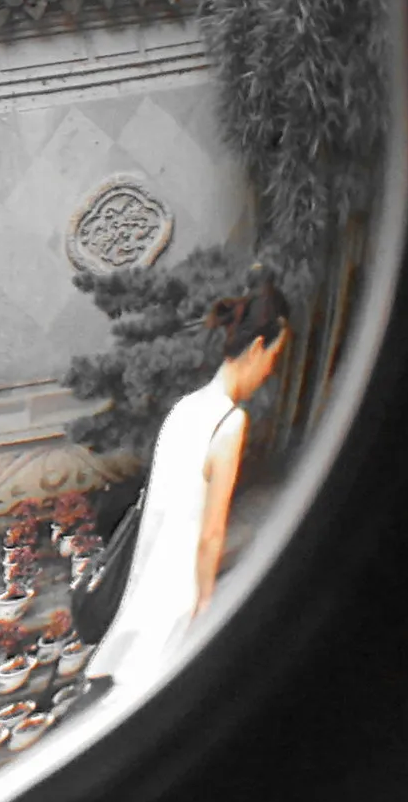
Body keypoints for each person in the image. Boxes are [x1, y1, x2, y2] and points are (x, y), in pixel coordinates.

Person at [83, 263, 291, 691]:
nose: (270, 370)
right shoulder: (228, 422)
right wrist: (206, 600)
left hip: (146, 583)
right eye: (272, 357)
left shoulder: (186, 407)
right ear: (255, 349)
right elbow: (212, 532)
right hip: (179, 588)